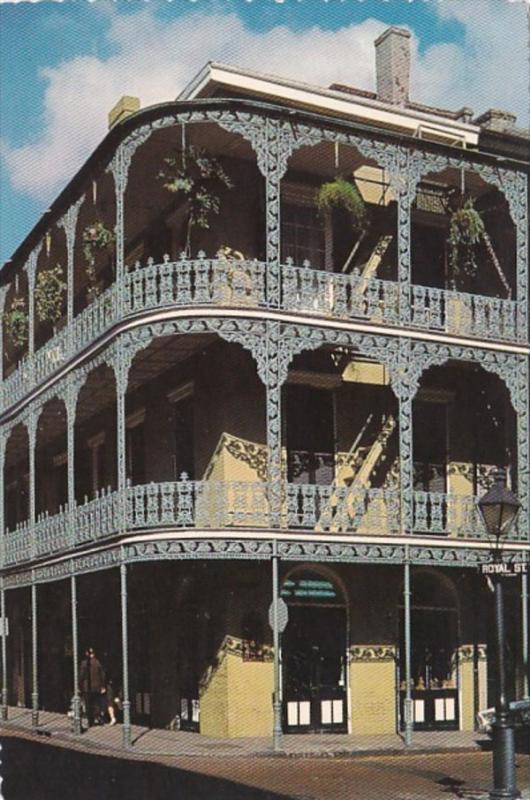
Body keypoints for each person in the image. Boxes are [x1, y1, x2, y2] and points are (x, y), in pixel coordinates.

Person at [79, 647, 106, 727]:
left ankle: (90, 721)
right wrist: (102, 686)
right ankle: (97, 717)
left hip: (87, 687)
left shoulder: (84, 663)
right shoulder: (98, 663)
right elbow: (103, 675)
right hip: (97, 687)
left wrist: (79, 686)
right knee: (96, 703)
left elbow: (81, 676)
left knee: (88, 704)